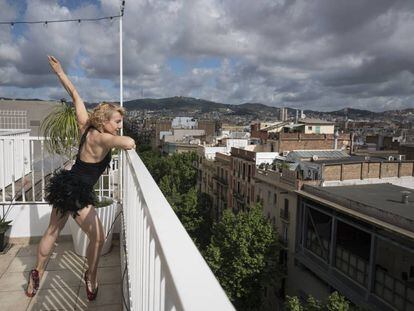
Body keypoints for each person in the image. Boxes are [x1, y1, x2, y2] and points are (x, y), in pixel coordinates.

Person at [25, 55, 135, 301]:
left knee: (52, 231)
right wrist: (129, 141)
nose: (119, 126)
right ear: (105, 121)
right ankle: (92, 277)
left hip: (65, 183)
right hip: (78, 191)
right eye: (117, 122)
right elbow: (126, 142)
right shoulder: (104, 138)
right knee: (98, 236)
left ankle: (36, 273)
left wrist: (59, 71)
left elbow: (75, 94)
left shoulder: (85, 126)